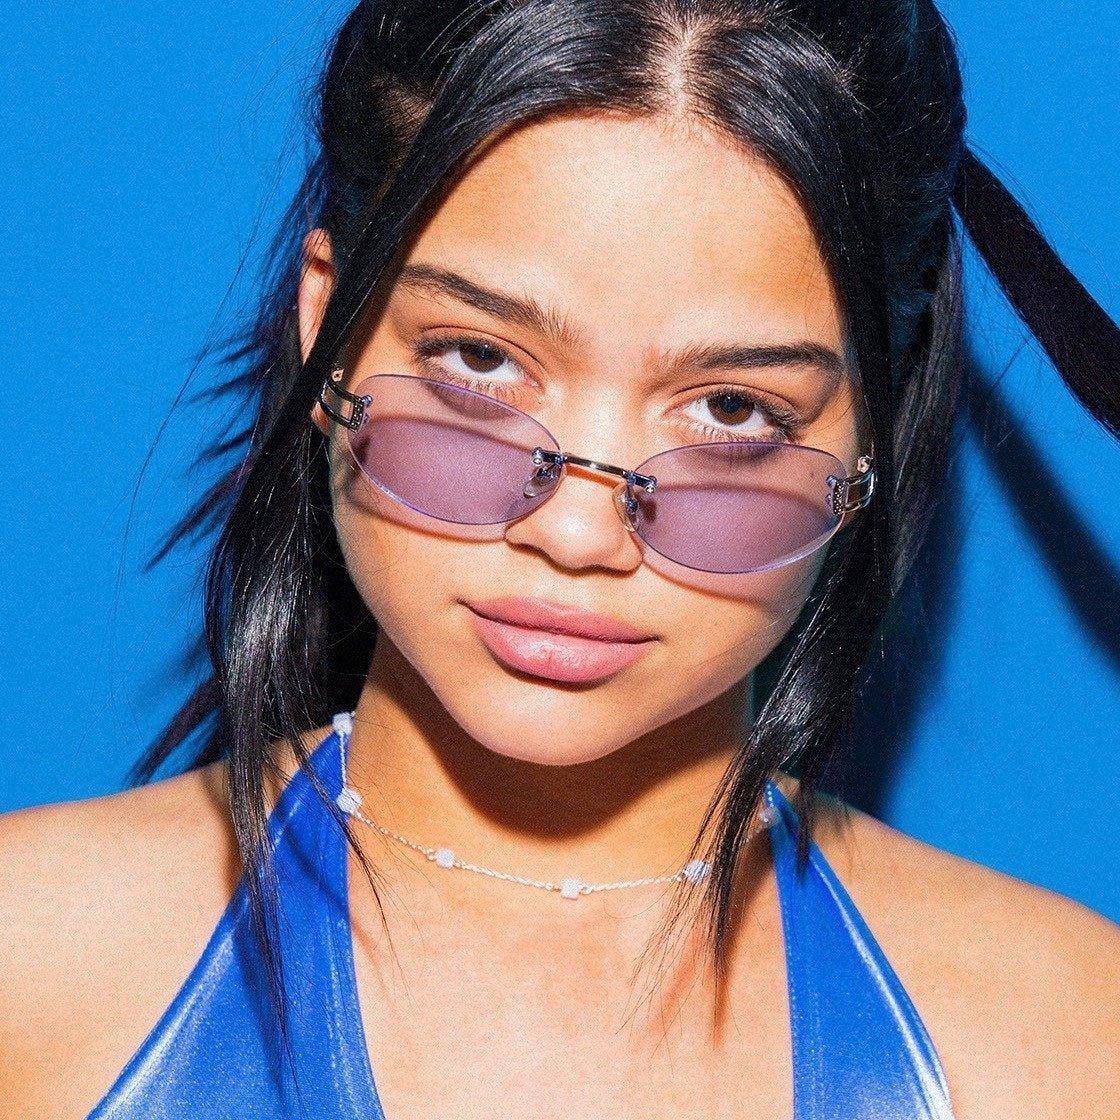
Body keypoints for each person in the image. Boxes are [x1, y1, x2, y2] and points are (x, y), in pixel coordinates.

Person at [2, 1, 1119, 1117]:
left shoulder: (1063, 1038)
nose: (578, 534)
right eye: (480, 360)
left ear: (872, 426)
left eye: (732, 409)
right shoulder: (34, 958)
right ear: (325, 321)